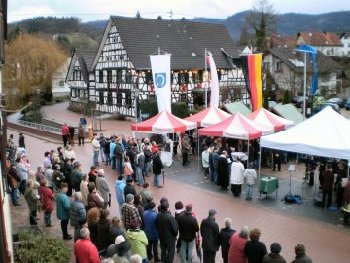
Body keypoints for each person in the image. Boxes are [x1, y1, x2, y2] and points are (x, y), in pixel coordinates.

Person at [156, 197, 178, 263]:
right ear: (167, 208)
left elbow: (157, 225)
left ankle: (163, 261)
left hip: (161, 237)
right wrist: (174, 235)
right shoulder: (170, 217)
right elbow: (175, 230)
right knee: (171, 252)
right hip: (170, 239)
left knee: (163, 251)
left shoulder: (158, 215)